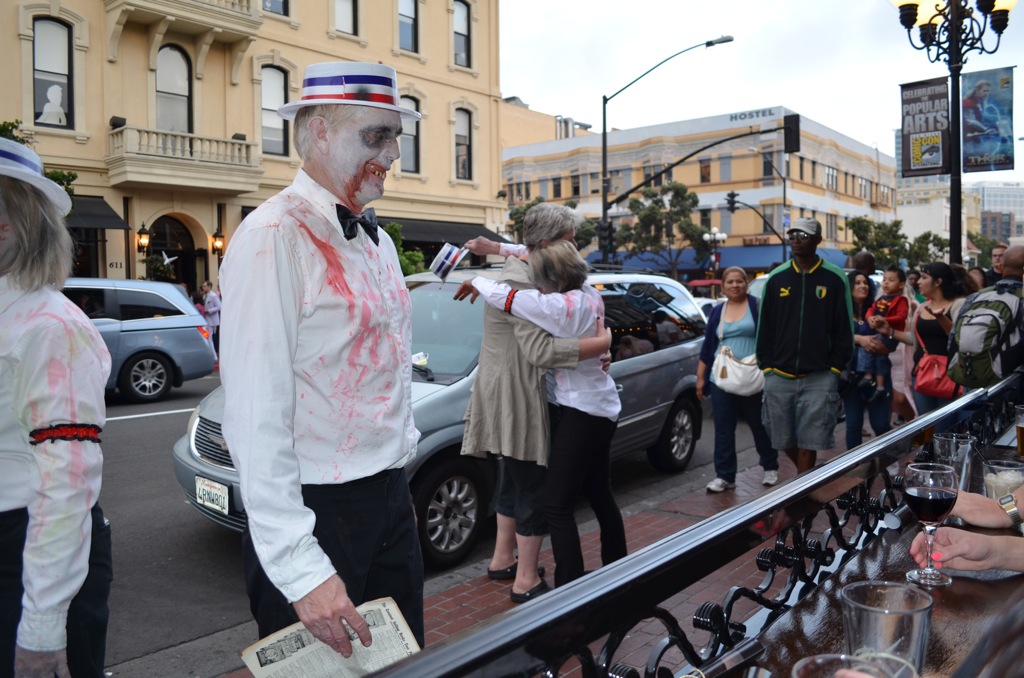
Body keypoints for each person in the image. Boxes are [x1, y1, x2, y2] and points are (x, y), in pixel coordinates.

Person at [219, 61, 427, 654]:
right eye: (375, 136)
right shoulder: (273, 235)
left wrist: (395, 494)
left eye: (395, 137)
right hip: (314, 510)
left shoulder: (380, 242)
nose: (391, 156)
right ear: (318, 133)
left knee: (400, 663)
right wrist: (302, 568)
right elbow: (255, 415)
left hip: (388, 497)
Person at [0, 137, 113, 677]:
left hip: (26, 552)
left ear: (12, 224)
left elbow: (67, 483)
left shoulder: (50, 327)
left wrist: (41, 631)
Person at [460, 204, 610, 602]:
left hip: (502, 388)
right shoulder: (528, 281)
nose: (575, 246)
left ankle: (502, 558)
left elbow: (519, 251)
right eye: (569, 238)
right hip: (520, 394)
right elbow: (540, 349)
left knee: (513, 478)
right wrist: (599, 345)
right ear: (547, 243)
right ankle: (525, 579)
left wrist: (492, 251)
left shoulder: (521, 267)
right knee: (533, 486)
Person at [756, 218, 854, 474]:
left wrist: (835, 368)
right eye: (793, 235)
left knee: (810, 441)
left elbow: (844, 328)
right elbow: (764, 326)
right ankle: (807, 482)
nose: (797, 240)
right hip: (778, 373)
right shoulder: (777, 278)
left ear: (817, 240)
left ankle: (800, 495)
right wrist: (766, 366)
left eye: (804, 236)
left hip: (819, 375)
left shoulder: (834, 278)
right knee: (781, 438)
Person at [697, 266, 778, 491]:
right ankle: (725, 476)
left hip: (753, 376)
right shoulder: (717, 312)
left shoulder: (757, 306)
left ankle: (770, 466)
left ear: (746, 283)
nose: (735, 285)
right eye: (730, 282)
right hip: (721, 378)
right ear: (722, 287)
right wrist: (701, 377)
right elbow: (708, 347)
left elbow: (771, 338)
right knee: (723, 428)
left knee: (759, 425)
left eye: (739, 281)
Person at [871, 262, 969, 416]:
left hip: (950, 376)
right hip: (923, 374)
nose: (918, 282)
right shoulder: (923, 307)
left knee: (946, 427)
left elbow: (961, 337)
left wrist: (940, 318)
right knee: (926, 425)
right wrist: (889, 331)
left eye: (924, 277)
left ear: (938, 282)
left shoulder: (959, 304)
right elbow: (914, 339)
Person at [844, 271, 892, 450]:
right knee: (853, 425)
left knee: (880, 424)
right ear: (849, 287)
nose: (863, 286)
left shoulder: (877, 309)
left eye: (865, 282)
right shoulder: (841, 311)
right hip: (852, 378)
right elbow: (832, 337)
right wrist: (858, 339)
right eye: (857, 283)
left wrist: (883, 344)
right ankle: (854, 468)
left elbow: (890, 341)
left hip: (878, 375)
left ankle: (889, 459)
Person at [859, 266, 909, 401]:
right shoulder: (881, 298)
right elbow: (871, 309)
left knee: (873, 348)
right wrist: (870, 318)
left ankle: (870, 377)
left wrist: (885, 320)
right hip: (880, 331)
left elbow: (901, 316)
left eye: (891, 280)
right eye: (884, 279)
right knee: (876, 354)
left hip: (889, 335)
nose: (886, 283)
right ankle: (876, 383)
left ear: (901, 285)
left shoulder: (901, 300)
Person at [200, 280, 220, 357]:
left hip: (211, 320)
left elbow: (219, 306)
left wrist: (209, 311)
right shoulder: (205, 295)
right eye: (203, 286)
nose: (203, 288)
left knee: (209, 337)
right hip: (206, 319)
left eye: (205, 286)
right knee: (207, 337)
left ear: (209, 286)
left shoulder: (213, 295)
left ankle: (214, 356)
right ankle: (212, 355)